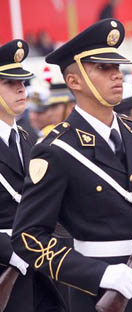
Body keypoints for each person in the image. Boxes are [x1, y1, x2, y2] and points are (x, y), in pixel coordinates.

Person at [11, 18, 132, 312]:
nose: (117, 75)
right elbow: (28, 238)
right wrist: (99, 274)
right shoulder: (57, 150)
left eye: (116, 67)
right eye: (104, 68)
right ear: (74, 81)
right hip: (98, 292)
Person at [0, 39, 65, 312]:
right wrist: (10, 252)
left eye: (23, 82)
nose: (21, 89)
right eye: (9, 83)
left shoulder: (27, 140)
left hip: (39, 264)